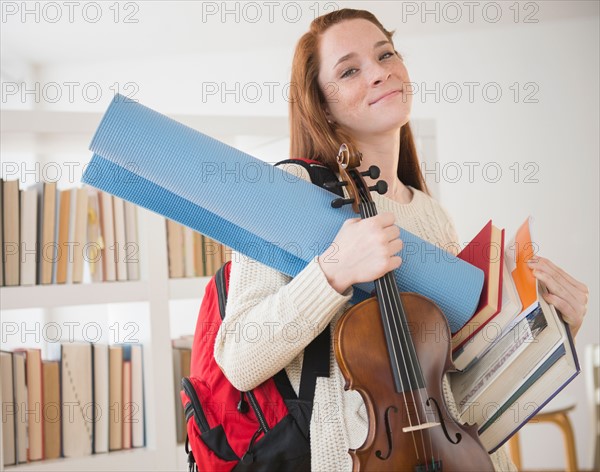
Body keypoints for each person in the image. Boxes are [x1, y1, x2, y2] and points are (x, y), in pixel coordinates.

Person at [214, 8, 588, 471]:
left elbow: (462, 402)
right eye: (350, 69)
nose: (379, 72)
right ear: (321, 107)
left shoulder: (432, 215)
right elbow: (239, 358)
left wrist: (548, 335)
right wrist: (333, 273)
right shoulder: (291, 189)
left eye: (386, 54)